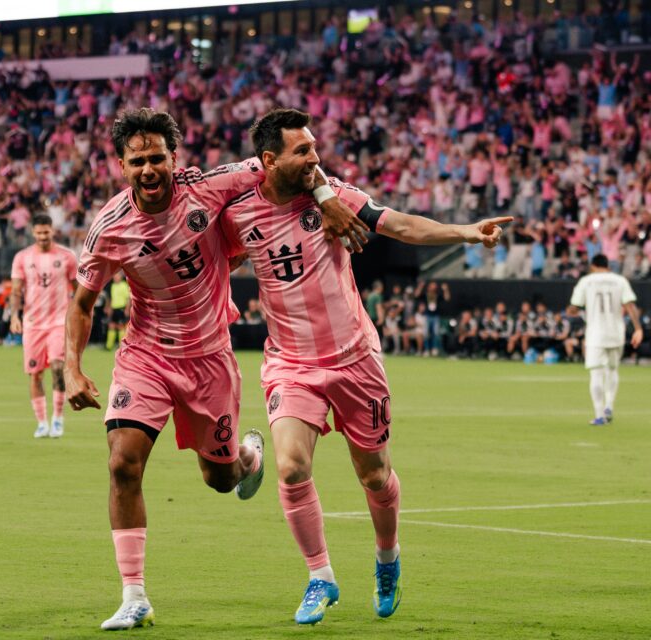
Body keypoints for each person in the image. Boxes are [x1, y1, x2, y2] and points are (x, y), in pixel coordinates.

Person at [64, 108, 366, 631]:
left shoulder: (209, 186)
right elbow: (83, 302)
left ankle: (247, 458)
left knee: (219, 479)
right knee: (122, 465)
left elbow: (294, 162)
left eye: (158, 157)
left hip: (209, 361)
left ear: (175, 159)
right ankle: (133, 595)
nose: (149, 168)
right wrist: (72, 368)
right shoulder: (109, 228)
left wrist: (327, 198)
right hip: (146, 355)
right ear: (121, 166)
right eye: (137, 161)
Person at [219, 108, 510, 625]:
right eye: (302, 150)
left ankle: (387, 558)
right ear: (269, 160)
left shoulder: (333, 195)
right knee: (290, 466)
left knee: (374, 477)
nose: (314, 158)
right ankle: (320, 577)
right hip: (291, 361)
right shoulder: (240, 212)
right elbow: (209, 255)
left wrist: (464, 232)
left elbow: (400, 225)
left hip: (355, 358)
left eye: (314, 147)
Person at [10, 214, 77, 438]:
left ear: (52, 231)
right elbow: (16, 289)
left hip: (59, 321)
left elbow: (79, 287)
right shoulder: (22, 257)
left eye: (46, 232)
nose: (42, 236)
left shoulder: (67, 256)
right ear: (33, 232)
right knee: (35, 374)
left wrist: (80, 313)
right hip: (32, 324)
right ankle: (42, 422)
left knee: (58, 367)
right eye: (38, 232)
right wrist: (14, 316)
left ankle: (58, 418)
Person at [569, 253, 643, 425]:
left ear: (593, 266)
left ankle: (599, 415)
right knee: (612, 370)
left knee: (596, 373)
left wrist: (573, 310)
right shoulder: (620, 281)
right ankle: (609, 405)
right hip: (616, 333)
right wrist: (638, 329)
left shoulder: (586, 281)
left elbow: (574, 308)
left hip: (596, 334)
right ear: (607, 265)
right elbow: (630, 306)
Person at [105, 271, 130, 351]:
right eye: (114, 276)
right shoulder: (112, 286)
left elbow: (128, 299)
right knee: (111, 325)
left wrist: (127, 309)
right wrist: (109, 308)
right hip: (114, 309)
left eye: (117, 276)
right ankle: (109, 346)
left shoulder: (124, 285)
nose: (115, 278)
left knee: (121, 327)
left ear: (120, 277)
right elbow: (111, 298)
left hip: (121, 308)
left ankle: (121, 346)